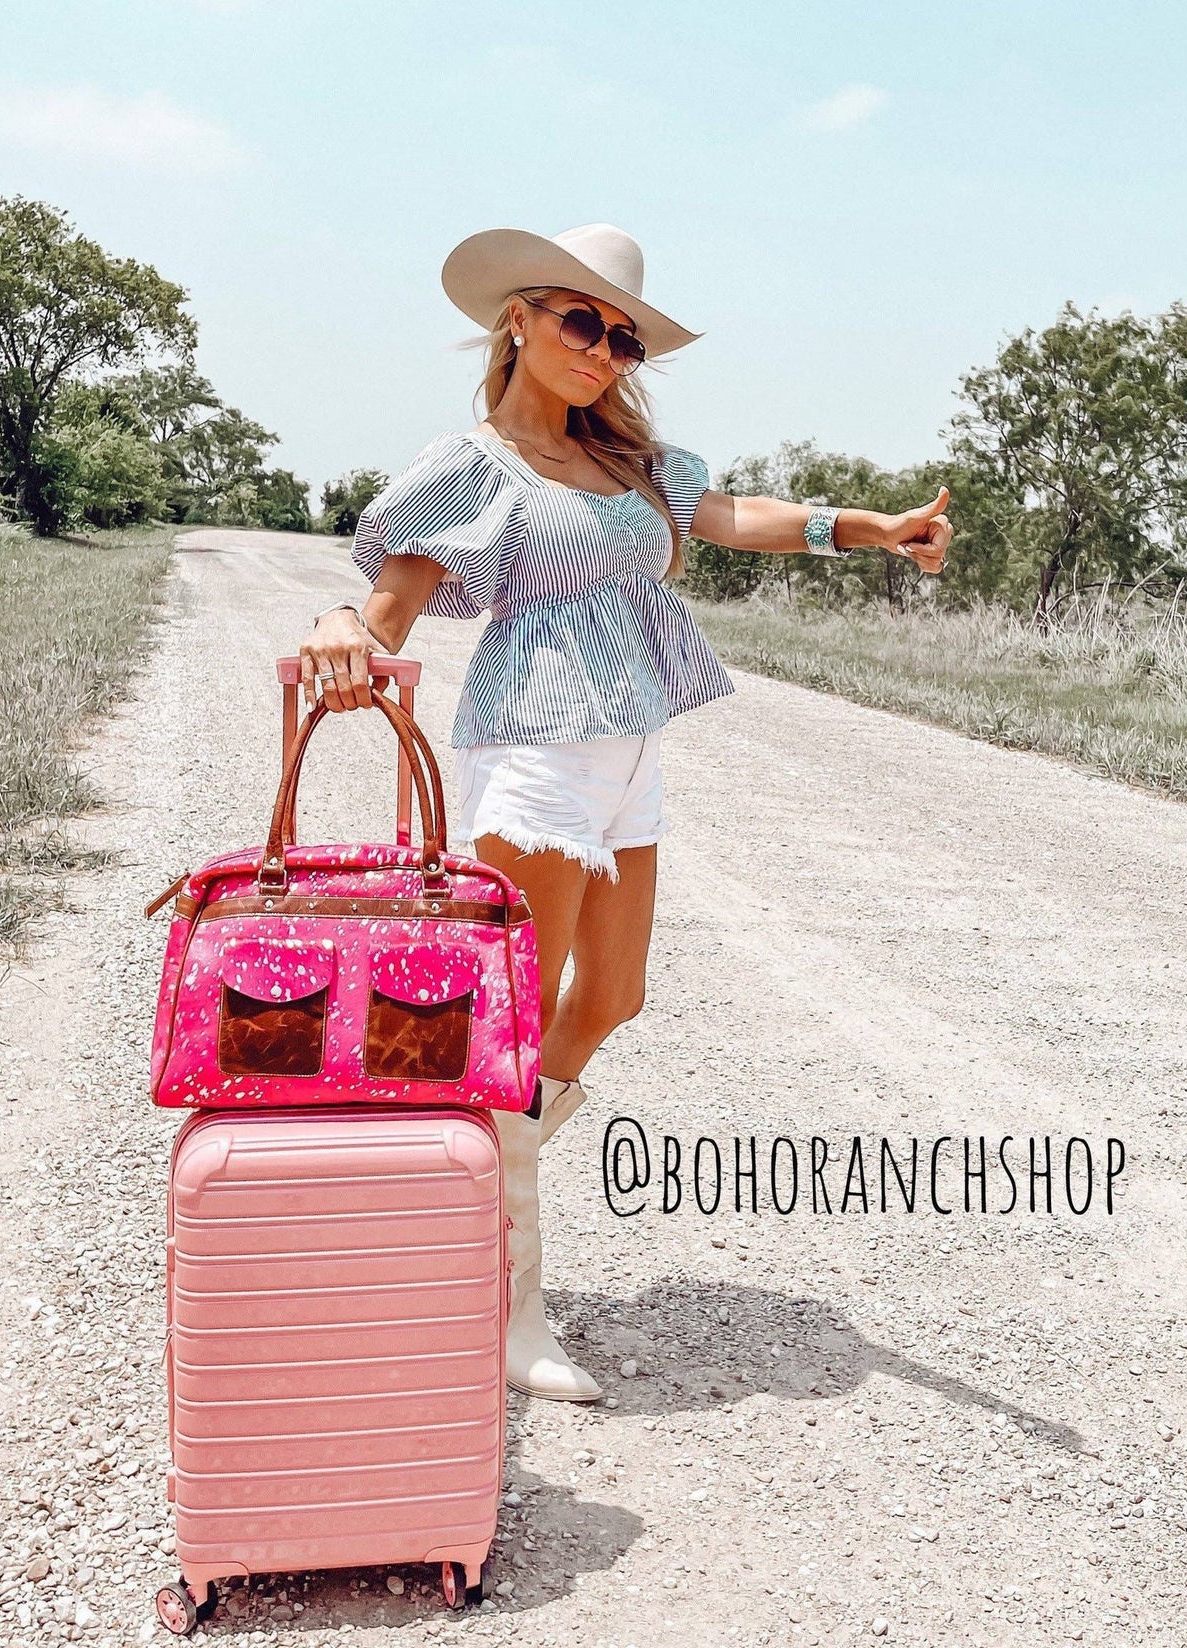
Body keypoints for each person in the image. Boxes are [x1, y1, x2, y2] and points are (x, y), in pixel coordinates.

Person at [293, 223, 953, 1402]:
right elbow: (389, 602)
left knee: (611, 995)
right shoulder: (476, 462)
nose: (603, 349)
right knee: (509, 1021)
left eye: (622, 334)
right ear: (518, 320)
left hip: (628, 745)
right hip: (536, 752)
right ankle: (507, 1302)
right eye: (579, 320)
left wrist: (867, 528)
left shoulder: (631, 461)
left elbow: (732, 511)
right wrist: (346, 633)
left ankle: (444, 1194)